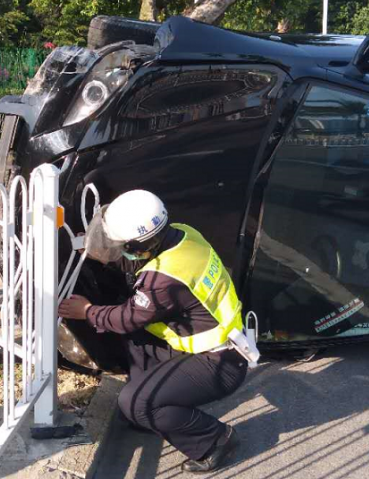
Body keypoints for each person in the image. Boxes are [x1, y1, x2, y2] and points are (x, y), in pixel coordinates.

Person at [58, 190, 250, 473]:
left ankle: (214, 440)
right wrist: (96, 253)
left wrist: (87, 311)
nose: (114, 247)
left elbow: (126, 318)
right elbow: (137, 265)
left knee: (134, 401)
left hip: (220, 363)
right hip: (216, 345)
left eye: (119, 244)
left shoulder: (163, 281)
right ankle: (150, 411)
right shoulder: (183, 234)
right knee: (139, 341)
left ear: (140, 245)